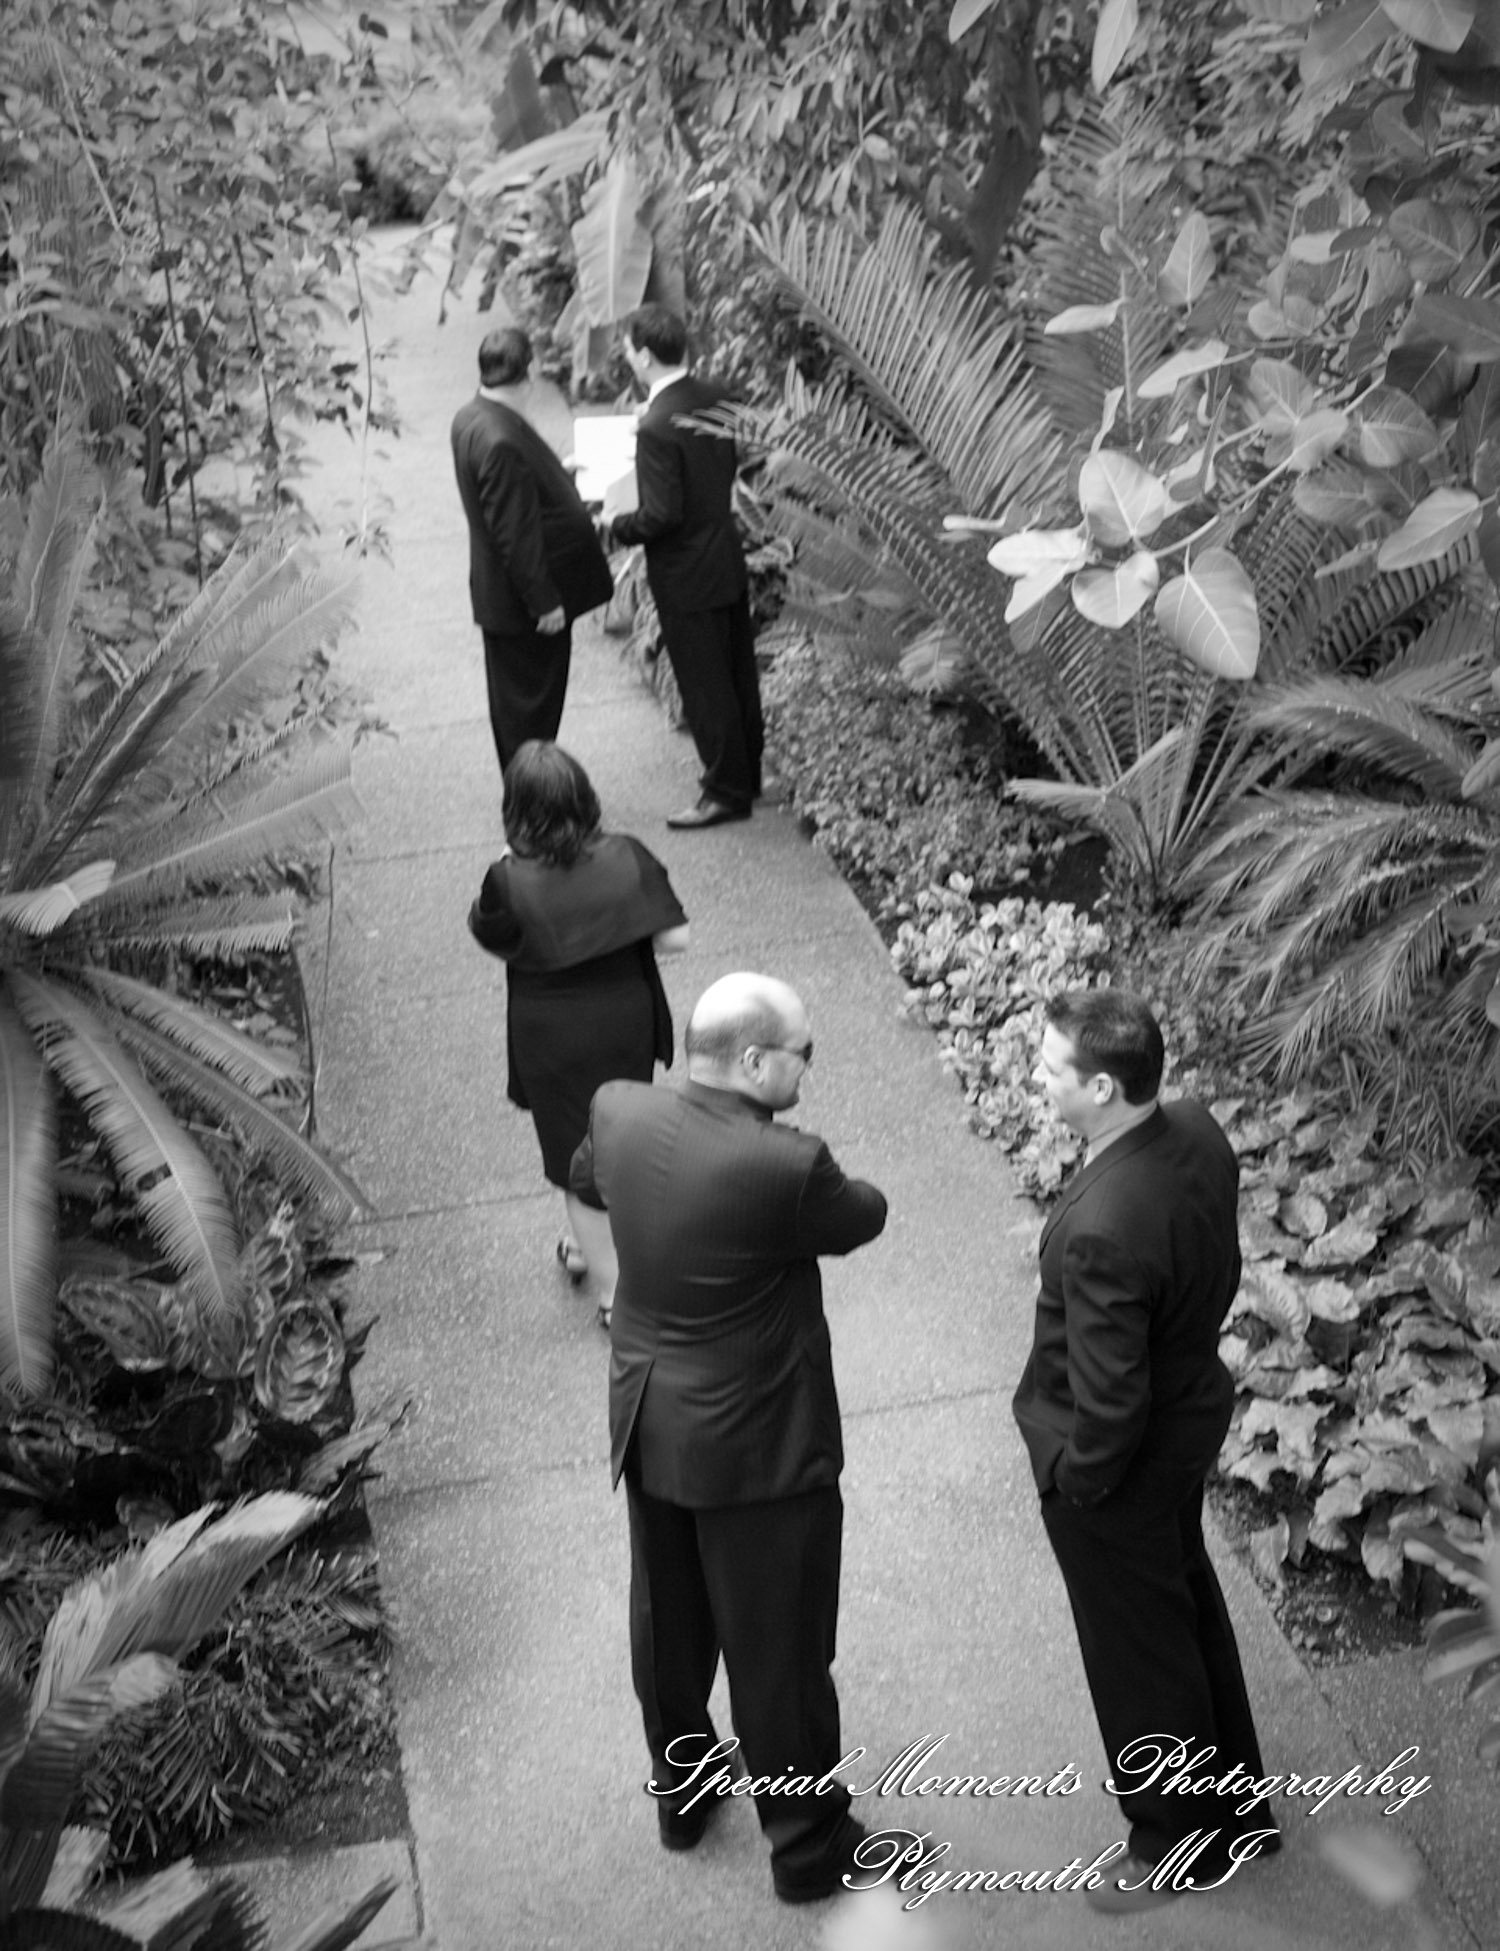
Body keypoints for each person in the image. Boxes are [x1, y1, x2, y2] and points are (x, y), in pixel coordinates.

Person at [570, 973, 887, 1903]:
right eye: (803, 1052)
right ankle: (808, 1849)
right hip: (757, 1449)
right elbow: (864, 1215)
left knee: (668, 1626)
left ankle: (684, 1792)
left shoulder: (621, 1110)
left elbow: (590, 1175)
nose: (809, 1067)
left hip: (650, 1420)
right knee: (778, 1652)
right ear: (752, 1060)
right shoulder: (784, 1165)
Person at [1013, 988, 1278, 1914]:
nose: (1036, 1079)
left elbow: (1109, 1401)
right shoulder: (1195, 1128)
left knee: (1136, 1652)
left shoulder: (1101, 1230)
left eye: (1049, 1069)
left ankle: (1176, 1842)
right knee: (1186, 1607)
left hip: (1123, 1464)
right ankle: (1237, 1809)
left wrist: (1075, 1480)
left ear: (1100, 1086)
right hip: (1188, 1415)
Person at [468, 741, 688, 1325]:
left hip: (552, 1032)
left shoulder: (507, 880)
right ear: (585, 797)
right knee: (620, 1139)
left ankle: (614, 1291)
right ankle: (597, 1248)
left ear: (515, 811)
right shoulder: (629, 855)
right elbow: (675, 939)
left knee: (576, 1158)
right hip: (624, 1019)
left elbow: (492, 938)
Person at [604, 305, 765, 830]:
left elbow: (660, 516)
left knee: (704, 681)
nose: (628, 356)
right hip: (723, 552)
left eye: (629, 349)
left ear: (645, 355)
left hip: (685, 570)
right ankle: (747, 774)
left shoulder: (655, 426)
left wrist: (613, 524)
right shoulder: (715, 396)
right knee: (738, 671)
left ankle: (723, 791)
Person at [451, 327, 614, 772]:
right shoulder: (500, 439)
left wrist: (553, 475)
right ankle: (530, 811)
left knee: (519, 712)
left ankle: (530, 804)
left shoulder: (472, 415)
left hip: (503, 599)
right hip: (523, 609)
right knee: (529, 718)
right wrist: (545, 602)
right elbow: (514, 534)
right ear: (528, 376)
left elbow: (505, 498)